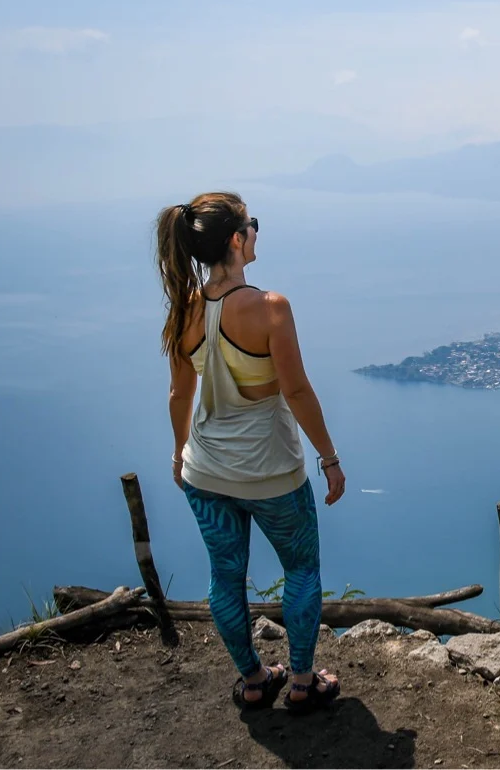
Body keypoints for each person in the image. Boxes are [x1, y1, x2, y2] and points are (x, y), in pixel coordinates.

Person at [155, 191, 346, 712]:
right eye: (252, 225)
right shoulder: (269, 309)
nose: (256, 232)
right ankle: (304, 682)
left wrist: (178, 455)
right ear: (237, 240)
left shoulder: (184, 313)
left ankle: (255, 679)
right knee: (303, 570)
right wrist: (329, 458)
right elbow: (298, 391)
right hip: (272, 473)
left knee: (224, 575)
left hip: (206, 471)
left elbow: (179, 394)